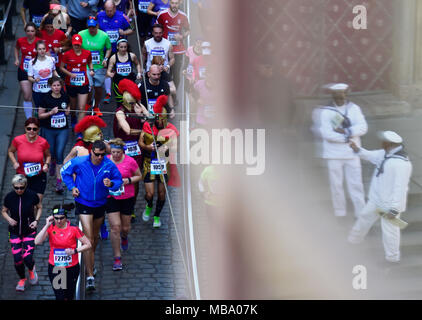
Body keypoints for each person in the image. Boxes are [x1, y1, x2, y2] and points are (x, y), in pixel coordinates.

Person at [61, 140, 123, 290]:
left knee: (94, 239)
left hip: (100, 204)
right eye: (97, 154)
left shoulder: (109, 164)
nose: (100, 157)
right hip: (83, 203)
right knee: (88, 238)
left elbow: (119, 180)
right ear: (91, 152)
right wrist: (72, 187)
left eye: (102, 155)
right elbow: (64, 171)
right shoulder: (80, 161)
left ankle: (91, 263)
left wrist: (112, 184)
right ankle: (90, 276)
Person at [348, 131, 412, 263]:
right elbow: (370, 155)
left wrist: (395, 208)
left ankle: (392, 259)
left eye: (384, 141)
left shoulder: (401, 163)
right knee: (364, 217)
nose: (381, 143)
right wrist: (357, 149)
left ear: (390, 144)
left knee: (390, 232)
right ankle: (353, 241)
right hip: (376, 199)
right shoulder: (384, 154)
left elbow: (400, 188)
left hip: (389, 205)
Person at [314, 83, 367, 218]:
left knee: (356, 185)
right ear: (332, 95)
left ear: (346, 94)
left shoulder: (354, 109)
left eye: (342, 95)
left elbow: (363, 127)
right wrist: (347, 138)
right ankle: (340, 213)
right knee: (336, 186)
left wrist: (346, 131)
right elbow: (327, 134)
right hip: (333, 155)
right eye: (336, 95)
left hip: (352, 154)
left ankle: (360, 214)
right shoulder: (326, 111)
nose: (339, 98)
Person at [35, 203, 91, 300]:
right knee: (60, 297)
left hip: (71, 267)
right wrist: (47, 225)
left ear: (66, 217)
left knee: (69, 296)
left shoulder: (73, 229)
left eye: (61, 218)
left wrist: (74, 251)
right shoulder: (50, 228)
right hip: (56, 268)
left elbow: (88, 244)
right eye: (56, 218)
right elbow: (37, 241)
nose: (59, 221)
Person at [139, 95, 179, 228]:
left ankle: (157, 215)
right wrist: (147, 147)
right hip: (148, 162)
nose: (161, 122)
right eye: (159, 119)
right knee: (149, 193)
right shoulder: (147, 125)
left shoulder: (171, 129)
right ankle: (149, 205)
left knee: (162, 194)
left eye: (163, 119)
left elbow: (176, 147)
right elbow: (141, 142)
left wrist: (165, 147)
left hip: (163, 163)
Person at [113, 79, 149, 221]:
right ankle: (117, 202)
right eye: (132, 103)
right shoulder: (120, 112)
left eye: (136, 102)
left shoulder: (138, 107)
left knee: (135, 178)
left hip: (137, 149)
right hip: (122, 148)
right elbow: (127, 130)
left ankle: (131, 206)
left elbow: (151, 117)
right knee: (119, 175)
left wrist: (143, 112)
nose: (134, 105)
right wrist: (143, 131)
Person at [2, 174, 42, 292]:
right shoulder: (9, 197)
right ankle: (22, 279)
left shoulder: (32, 195)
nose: (19, 190)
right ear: (13, 187)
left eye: (21, 187)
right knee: (17, 258)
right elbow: (4, 211)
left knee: (27, 257)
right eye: (16, 187)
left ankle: (31, 269)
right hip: (14, 232)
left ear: (25, 185)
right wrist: (9, 219)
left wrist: (36, 220)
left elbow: (39, 207)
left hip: (29, 230)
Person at [106, 138, 141, 270]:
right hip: (111, 197)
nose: (115, 155)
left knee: (125, 228)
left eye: (118, 152)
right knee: (115, 227)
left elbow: (139, 176)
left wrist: (128, 180)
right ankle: (117, 258)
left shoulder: (130, 161)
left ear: (123, 151)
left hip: (127, 197)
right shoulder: (106, 161)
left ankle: (124, 237)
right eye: (113, 152)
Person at [38, 76, 71, 193]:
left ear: (61, 86)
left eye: (58, 85)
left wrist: (67, 110)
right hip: (49, 129)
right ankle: (51, 161)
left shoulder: (65, 96)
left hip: (62, 129)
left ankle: (59, 182)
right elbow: (40, 115)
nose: (56, 88)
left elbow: (68, 106)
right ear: (50, 86)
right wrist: (51, 113)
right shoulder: (45, 98)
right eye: (54, 85)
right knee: (51, 152)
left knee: (60, 152)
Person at [97, 0, 133, 104]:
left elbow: (132, 29)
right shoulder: (99, 15)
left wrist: (124, 32)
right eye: (107, 11)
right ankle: (108, 93)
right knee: (108, 70)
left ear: (115, 8)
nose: (109, 13)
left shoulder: (122, 16)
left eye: (111, 11)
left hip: (120, 49)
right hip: (105, 49)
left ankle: (123, 91)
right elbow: (95, 28)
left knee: (121, 70)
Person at [8, 118, 51, 203]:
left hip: (38, 176)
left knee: (36, 203)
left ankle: (34, 216)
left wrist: (46, 164)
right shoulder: (18, 140)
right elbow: (10, 151)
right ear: (25, 128)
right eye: (29, 128)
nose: (31, 131)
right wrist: (14, 162)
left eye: (34, 129)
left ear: (38, 130)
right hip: (22, 177)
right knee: (24, 203)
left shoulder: (43, 142)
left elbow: (48, 155)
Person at [79, 16, 112, 116]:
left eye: (93, 27)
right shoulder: (81, 34)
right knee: (88, 86)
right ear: (87, 26)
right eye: (90, 27)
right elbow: (77, 47)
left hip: (99, 66)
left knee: (98, 88)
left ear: (97, 26)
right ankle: (88, 103)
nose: (91, 29)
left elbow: (109, 48)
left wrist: (106, 59)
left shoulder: (104, 35)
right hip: (86, 66)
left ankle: (96, 106)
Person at [60, 34, 94, 122]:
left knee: (82, 107)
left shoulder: (87, 53)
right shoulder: (67, 54)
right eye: (75, 44)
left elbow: (90, 62)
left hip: (83, 83)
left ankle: (79, 129)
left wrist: (91, 69)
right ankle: (73, 117)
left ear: (81, 44)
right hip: (71, 84)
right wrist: (70, 74)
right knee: (73, 106)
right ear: (72, 44)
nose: (76, 46)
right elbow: (61, 67)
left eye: (78, 44)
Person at [156, 0, 190, 90]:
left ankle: (173, 94)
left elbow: (188, 30)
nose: (174, 5)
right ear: (169, 3)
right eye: (172, 3)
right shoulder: (162, 14)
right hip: (165, 49)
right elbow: (156, 28)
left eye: (176, 3)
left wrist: (182, 36)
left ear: (179, 4)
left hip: (178, 50)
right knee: (164, 72)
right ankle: (164, 93)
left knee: (176, 73)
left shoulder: (183, 16)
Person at [14, 22, 42, 119]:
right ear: (25, 31)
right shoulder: (20, 41)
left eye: (32, 31)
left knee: (37, 95)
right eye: (28, 31)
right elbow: (16, 48)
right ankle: (29, 119)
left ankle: (36, 111)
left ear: (35, 32)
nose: (30, 33)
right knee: (27, 96)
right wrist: (17, 59)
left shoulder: (39, 42)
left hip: (36, 72)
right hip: (24, 70)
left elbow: (46, 54)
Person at [27, 40, 59, 114]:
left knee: (51, 111)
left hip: (50, 91)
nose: (42, 51)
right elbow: (29, 77)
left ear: (46, 49)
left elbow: (54, 71)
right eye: (40, 49)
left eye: (43, 49)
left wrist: (58, 78)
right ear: (36, 50)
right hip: (38, 92)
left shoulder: (51, 59)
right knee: (40, 112)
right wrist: (35, 80)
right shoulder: (31, 62)